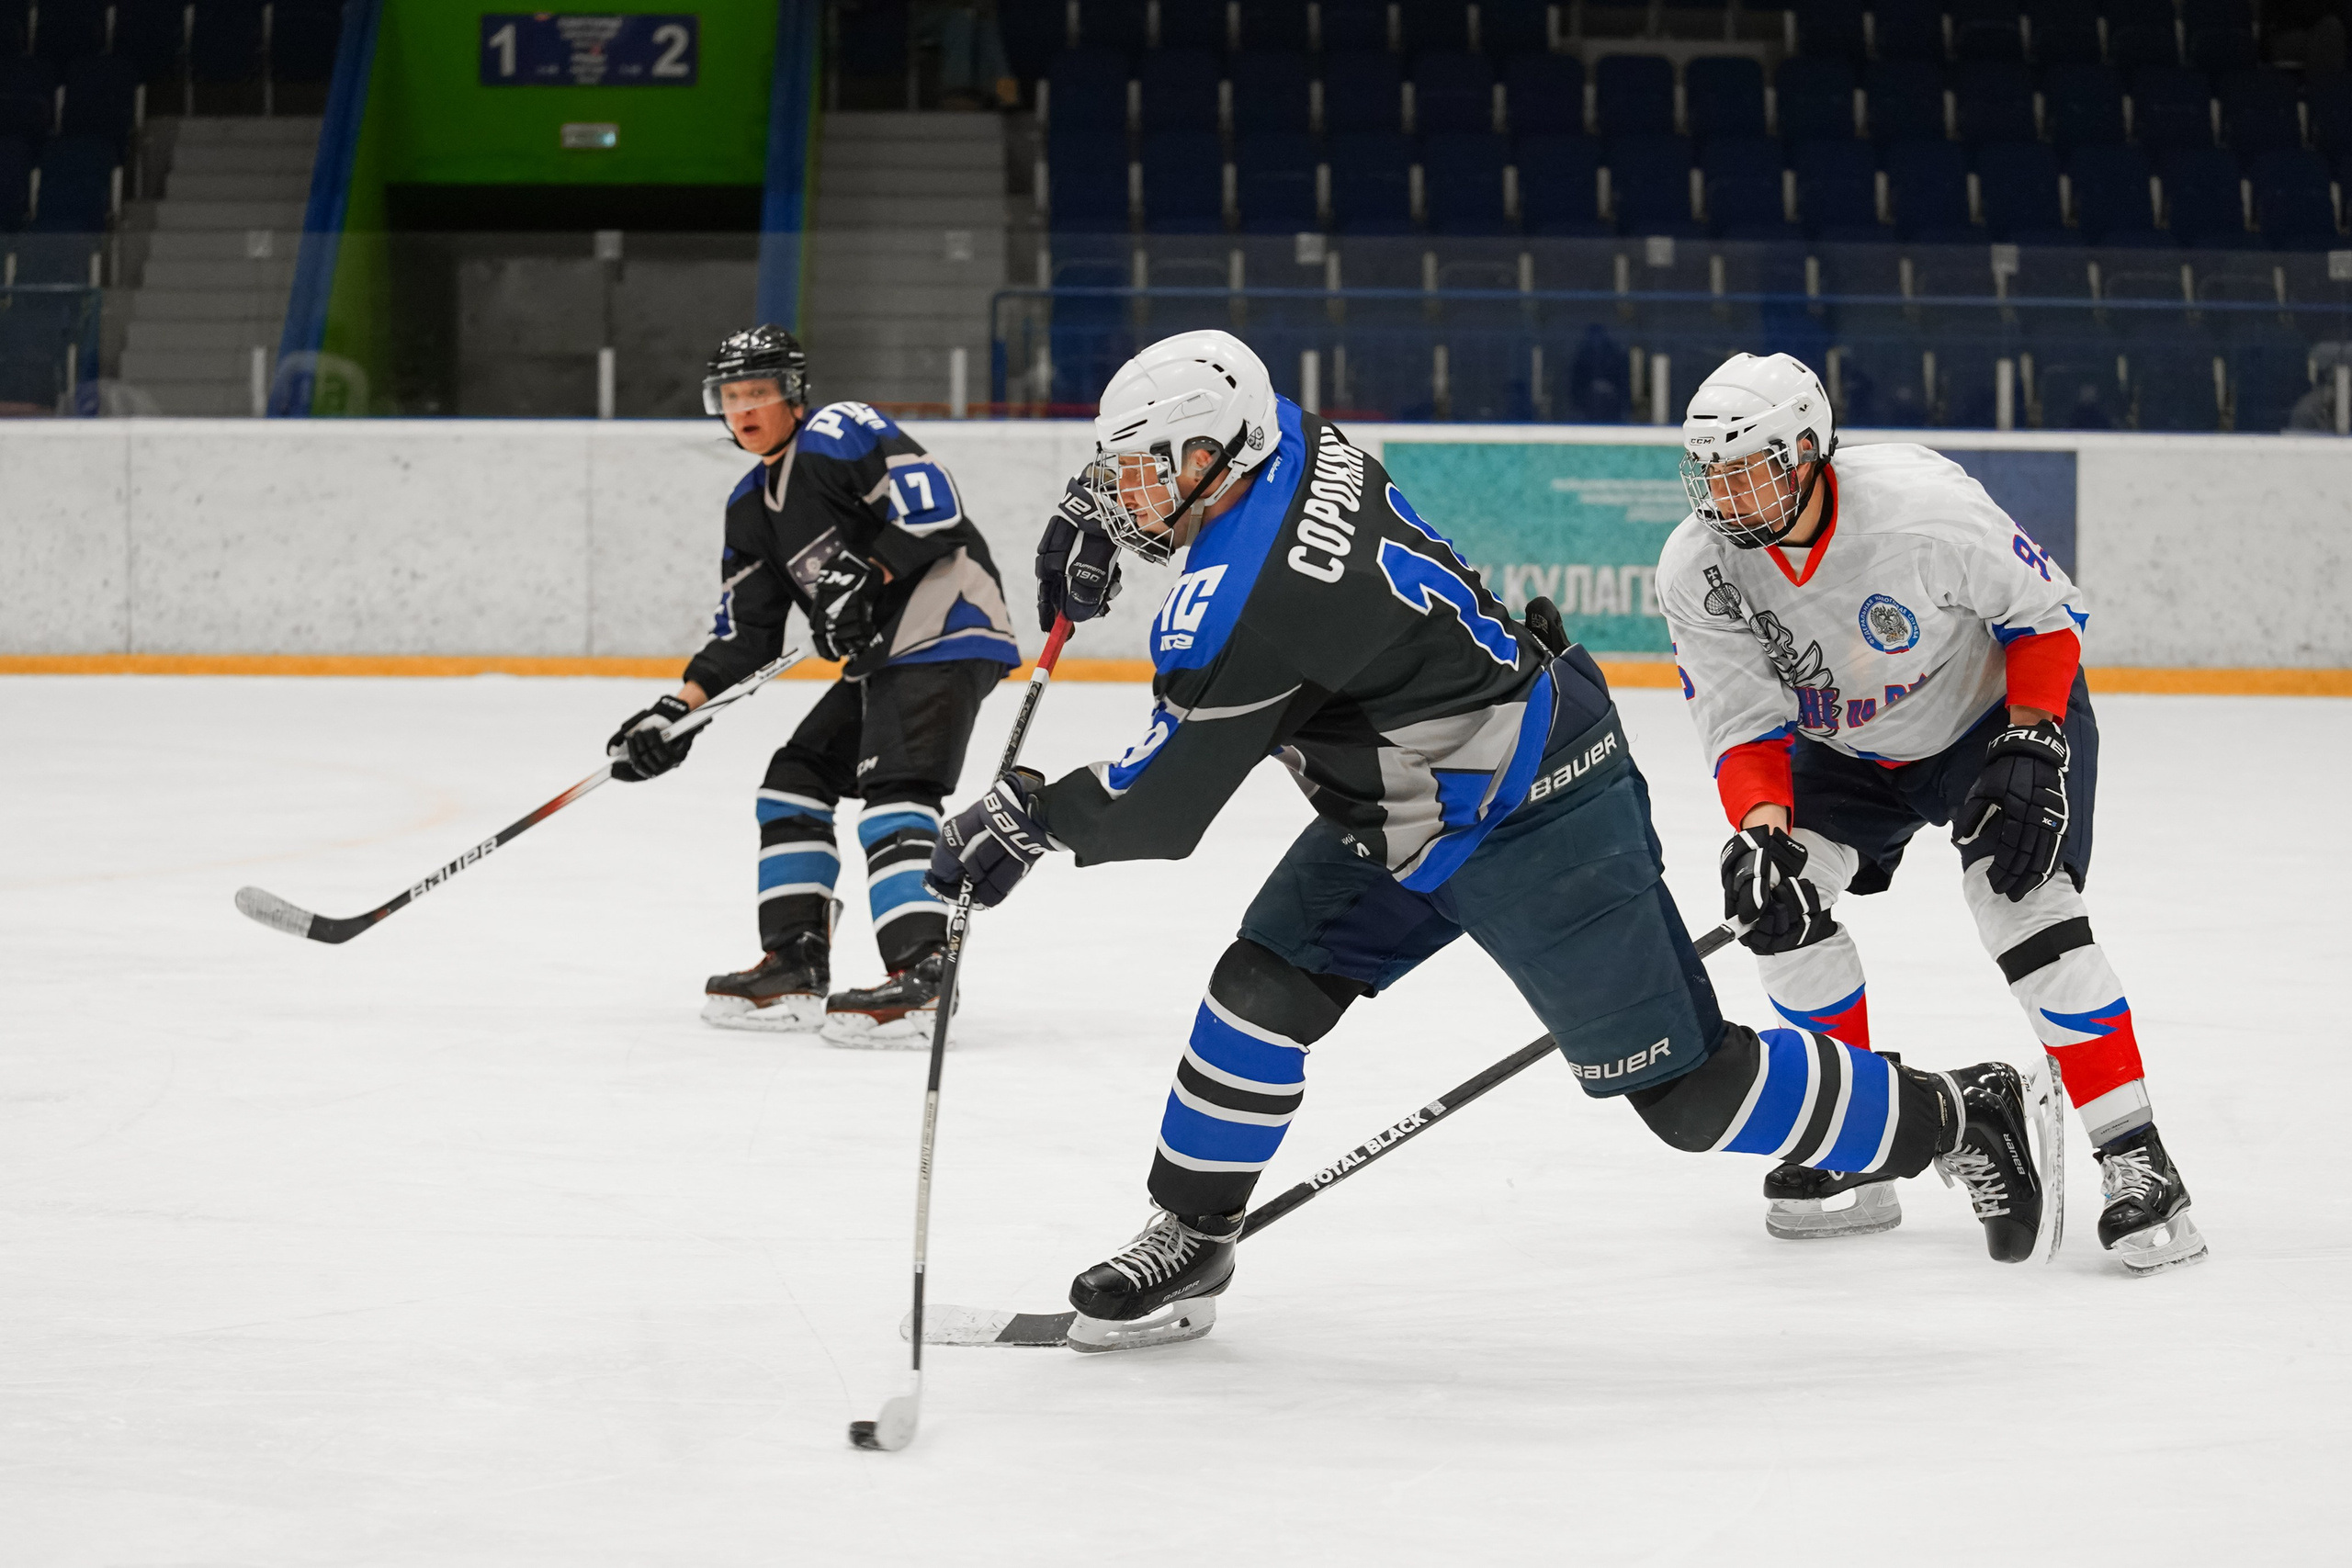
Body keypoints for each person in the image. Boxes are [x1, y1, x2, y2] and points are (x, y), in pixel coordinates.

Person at [923, 330, 2055, 1353]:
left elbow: (1161, 810)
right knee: (1259, 990)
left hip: (1538, 807)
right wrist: (1104, 516)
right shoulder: (1294, 438)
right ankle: (1191, 1233)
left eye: (1138, 475)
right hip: (1407, 800)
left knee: (1690, 1096)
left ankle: (1960, 1109)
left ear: (1210, 457)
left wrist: (1029, 813)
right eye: (1114, 476)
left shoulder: (1245, 602)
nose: (1122, 497)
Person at [1656, 351, 2205, 1275]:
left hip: (1994, 722)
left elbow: (2042, 618)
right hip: (1842, 753)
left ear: (1806, 451)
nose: (1726, 498)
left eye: (1747, 471)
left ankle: (2136, 1157)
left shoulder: (1918, 503)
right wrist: (1762, 833)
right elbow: (1745, 726)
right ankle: (1855, 1141)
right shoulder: (1697, 567)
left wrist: (2032, 742)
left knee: (2023, 905)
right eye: (1712, 476)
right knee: (1783, 911)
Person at [604, 326, 1020, 1045]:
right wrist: (676, 714)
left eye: (758, 393)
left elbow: (933, 504)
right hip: (885, 658)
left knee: (897, 790)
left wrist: (870, 571)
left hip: (947, 621)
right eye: (730, 398)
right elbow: (746, 639)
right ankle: (796, 959)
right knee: (793, 779)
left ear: (794, 395)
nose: (743, 410)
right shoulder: (749, 506)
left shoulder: (839, 431)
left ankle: (923, 972)